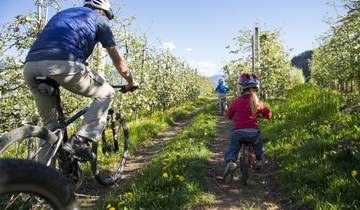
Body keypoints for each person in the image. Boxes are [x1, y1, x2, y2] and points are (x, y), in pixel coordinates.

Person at [23, 0, 138, 160]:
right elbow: (118, 61)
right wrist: (131, 82)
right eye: (107, 16)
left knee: (51, 129)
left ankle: (43, 179)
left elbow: (61, 42)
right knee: (107, 93)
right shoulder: (99, 19)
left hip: (30, 66)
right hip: (61, 65)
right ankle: (79, 141)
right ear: (103, 11)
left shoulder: (63, 14)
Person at [223, 73, 272, 183]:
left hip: (238, 132)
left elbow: (228, 115)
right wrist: (265, 115)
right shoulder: (257, 103)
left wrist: (233, 116)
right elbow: (268, 113)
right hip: (253, 132)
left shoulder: (236, 102)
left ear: (242, 88)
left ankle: (231, 162)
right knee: (258, 147)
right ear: (256, 89)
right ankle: (259, 161)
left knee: (233, 148)